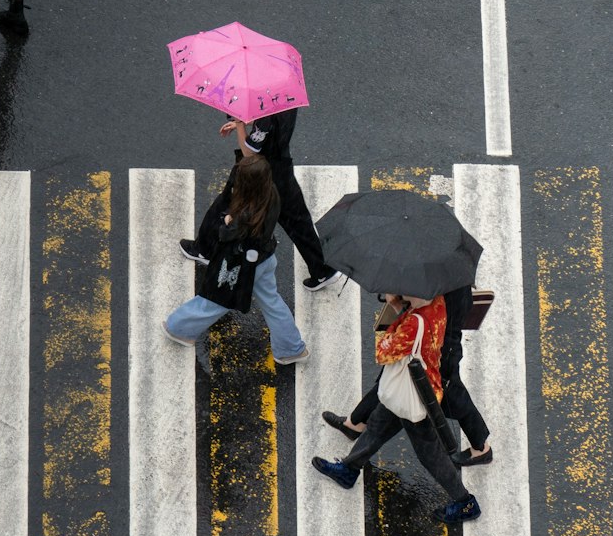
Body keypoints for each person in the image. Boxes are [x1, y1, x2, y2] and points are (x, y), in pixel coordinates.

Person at [311, 292, 481, 525]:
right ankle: (349, 469)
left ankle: (465, 502)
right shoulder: (438, 303)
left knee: (430, 455)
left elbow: (383, 353)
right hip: (416, 386)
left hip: (413, 396)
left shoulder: (413, 323)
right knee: (376, 427)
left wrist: (393, 312)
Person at [321, 285, 492, 466]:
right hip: (438, 346)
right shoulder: (452, 278)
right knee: (393, 379)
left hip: (437, 353)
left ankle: (480, 448)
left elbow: (388, 350)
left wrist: (397, 306)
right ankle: (355, 423)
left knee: (453, 395)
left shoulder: (435, 295)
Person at [163, 156, 309, 364]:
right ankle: (290, 348)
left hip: (242, 266)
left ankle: (178, 327)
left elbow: (227, 234)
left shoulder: (246, 213)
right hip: (265, 259)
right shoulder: (271, 193)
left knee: (217, 298)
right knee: (272, 302)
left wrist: (227, 221)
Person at [178, 108, 341, 291]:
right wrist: (251, 123)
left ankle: (205, 249)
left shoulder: (265, 115)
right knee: (298, 222)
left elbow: (249, 153)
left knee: (224, 204)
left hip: (257, 174)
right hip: (282, 170)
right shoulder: (285, 100)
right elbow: (271, 127)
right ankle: (321, 270)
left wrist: (240, 125)